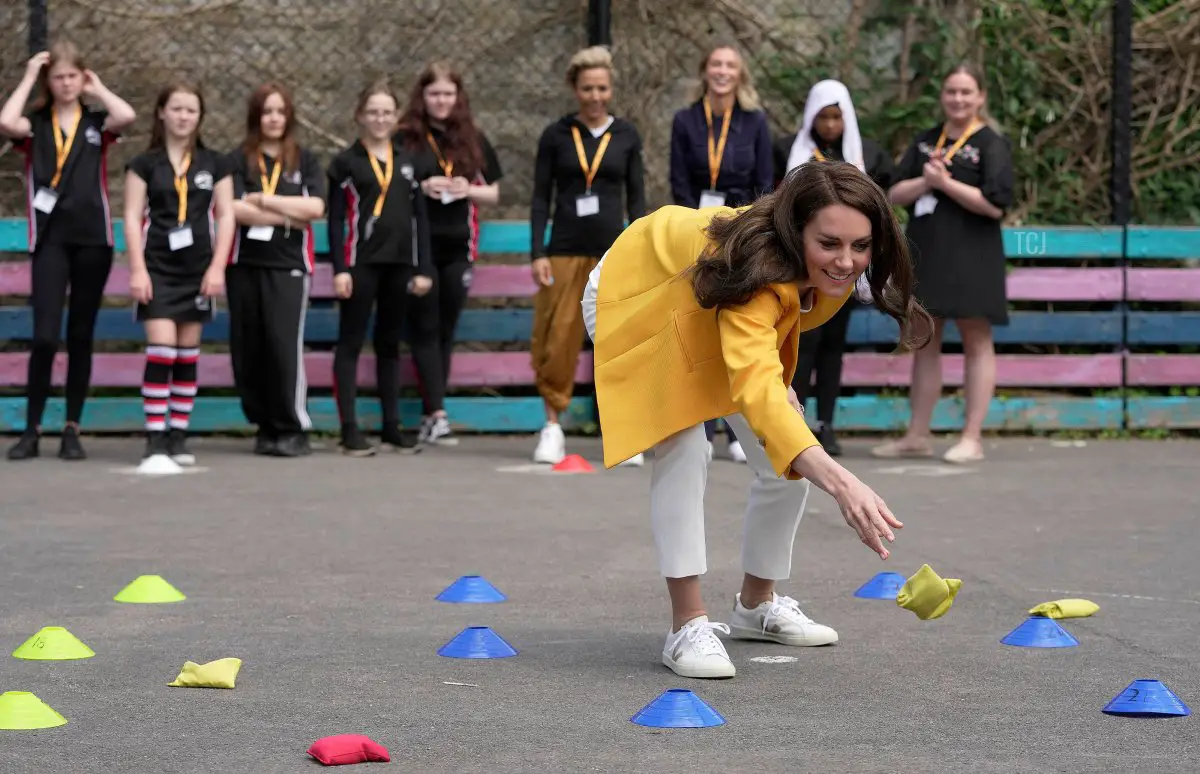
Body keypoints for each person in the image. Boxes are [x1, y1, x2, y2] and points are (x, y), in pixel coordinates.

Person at [581, 161, 931, 679]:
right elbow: (755, 359)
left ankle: (756, 606)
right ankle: (686, 625)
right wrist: (842, 483)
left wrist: (779, 396)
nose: (846, 261)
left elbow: (767, 340)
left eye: (861, 246)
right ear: (796, 232)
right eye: (830, 243)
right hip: (634, 291)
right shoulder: (757, 270)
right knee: (685, 443)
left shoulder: (816, 268)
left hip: (707, 300)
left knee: (784, 446)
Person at [872, 63, 1014, 464]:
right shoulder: (925, 141)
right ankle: (917, 433)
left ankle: (972, 437)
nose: (958, 99)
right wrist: (926, 181)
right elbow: (895, 192)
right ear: (943, 95)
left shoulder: (990, 144)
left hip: (974, 254)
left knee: (976, 338)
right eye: (952, 91)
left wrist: (946, 183)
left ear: (980, 97)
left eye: (967, 92)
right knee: (924, 340)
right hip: (928, 251)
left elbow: (995, 205)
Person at [0, 41, 136, 461]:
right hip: (51, 241)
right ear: (49, 82)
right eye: (57, 78)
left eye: (72, 76)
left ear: (82, 78)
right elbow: (6, 122)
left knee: (80, 335)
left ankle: (72, 428)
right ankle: (32, 427)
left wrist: (98, 89)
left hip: (93, 239)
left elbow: (126, 116)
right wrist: (27, 77)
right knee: (44, 336)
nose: (65, 84)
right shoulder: (36, 125)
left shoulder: (96, 123)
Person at [529, 45, 645, 465]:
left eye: (602, 88)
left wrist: (642, 252)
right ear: (574, 90)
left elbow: (638, 200)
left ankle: (625, 429)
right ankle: (552, 427)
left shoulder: (627, 135)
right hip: (563, 250)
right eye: (587, 88)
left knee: (619, 338)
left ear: (611, 89)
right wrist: (537, 251)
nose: (595, 96)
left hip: (614, 253)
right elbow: (541, 197)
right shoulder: (556, 135)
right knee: (558, 337)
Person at [776, 79, 896, 456]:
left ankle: (826, 423)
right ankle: (795, 420)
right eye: (823, 117)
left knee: (832, 347)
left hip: (843, 270)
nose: (830, 125)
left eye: (836, 117)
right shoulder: (788, 150)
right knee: (801, 343)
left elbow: (881, 205)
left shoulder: (866, 155)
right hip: (800, 264)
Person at [669, 42, 773, 464]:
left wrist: (745, 230)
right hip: (696, 233)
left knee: (735, 324)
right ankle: (703, 426)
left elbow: (765, 181)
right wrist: (694, 228)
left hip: (741, 236)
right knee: (697, 325)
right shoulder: (685, 120)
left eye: (731, 65)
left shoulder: (755, 123)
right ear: (704, 71)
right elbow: (678, 180)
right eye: (716, 64)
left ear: (740, 74)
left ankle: (736, 428)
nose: (723, 71)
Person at [123, 81, 235, 471]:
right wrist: (137, 269)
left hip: (198, 269)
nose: (183, 116)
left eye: (191, 110)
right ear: (161, 113)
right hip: (157, 267)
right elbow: (132, 216)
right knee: (162, 349)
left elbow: (226, 215)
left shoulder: (216, 164)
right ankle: (155, 437)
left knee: (187, 353)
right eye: (176, 109)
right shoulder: (143, 164)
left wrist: (218, 266)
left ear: (199, 117)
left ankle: (178, 434)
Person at [399, 62, 503, 447]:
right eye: (433, 94)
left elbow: (493, 192)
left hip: (459, 244)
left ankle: (433, 412)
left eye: (447, 94)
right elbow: (392, 184)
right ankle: (436, 413)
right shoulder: (407, 137)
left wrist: (466, 189)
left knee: (444, 328)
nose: (441, 101)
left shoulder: (471, 137)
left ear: (458, 97)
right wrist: (422, 186)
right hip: (417, 245)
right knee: (424, 326)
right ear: (422, 98)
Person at [326, 79, 433, 456]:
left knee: (390, 345)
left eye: (387, 112)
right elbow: (336, 220)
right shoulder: (346, 162)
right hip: (360, 264)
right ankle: (349, 429)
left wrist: (424, 269)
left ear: (397, 116)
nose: (380, 118)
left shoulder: (408, 161)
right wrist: (340, 268)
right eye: (373, 112)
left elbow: (420, 219)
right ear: (360, 116)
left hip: (400, 264)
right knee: (351, 342)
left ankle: (391, 426)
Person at [226, 83, 326, 457]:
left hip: (288, 266)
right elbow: (232, 208)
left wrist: (264, 199)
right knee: (249, 347)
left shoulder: (305, 159)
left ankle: (293, 426)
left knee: (283, 345)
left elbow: (315, 209)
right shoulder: (238, 160)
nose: (273, 119)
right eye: (267, 112)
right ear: (256, 117)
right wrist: (289, 212)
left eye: (280, 112)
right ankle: (265, 423)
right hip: (244, 264)